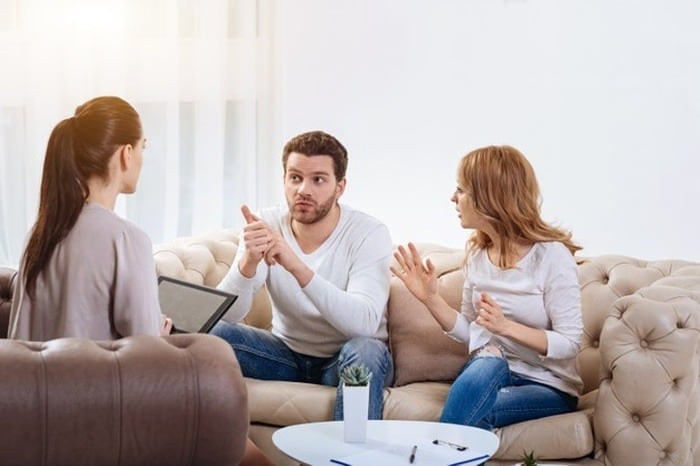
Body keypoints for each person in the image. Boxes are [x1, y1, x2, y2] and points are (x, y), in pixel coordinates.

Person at [7, 96, 271, 466]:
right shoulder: (125, 237)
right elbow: (148, 359)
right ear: (126, 154)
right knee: (237, 440)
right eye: (143, 146)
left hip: (29, 415)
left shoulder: (39, 234)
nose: (143, 158)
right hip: (97, 411)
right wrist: (159, 335)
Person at [392, 145, 583, 430]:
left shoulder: (551, 256)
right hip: (490, 372)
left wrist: (506, 327)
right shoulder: (478, 257)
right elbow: (473, 333)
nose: (453, 198)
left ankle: (438, 448)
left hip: (546, 385)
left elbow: (570, 343)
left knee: (473, 409)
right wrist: (430, 298)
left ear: (489, 197)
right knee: (489, 358)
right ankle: (444, 448)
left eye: (461, 190)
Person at [212, 130, 394, 421]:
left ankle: (348, 449)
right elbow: (227, 315)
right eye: (295, 178)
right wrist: (247, 263)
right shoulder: (267, 222)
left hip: (344, 358)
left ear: (340, 187)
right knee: (211, 333)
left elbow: (363, 324)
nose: (303, 190)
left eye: (318, 180)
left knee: (366, 352)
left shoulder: (368, 233)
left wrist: (297, 267)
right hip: (285, 356)